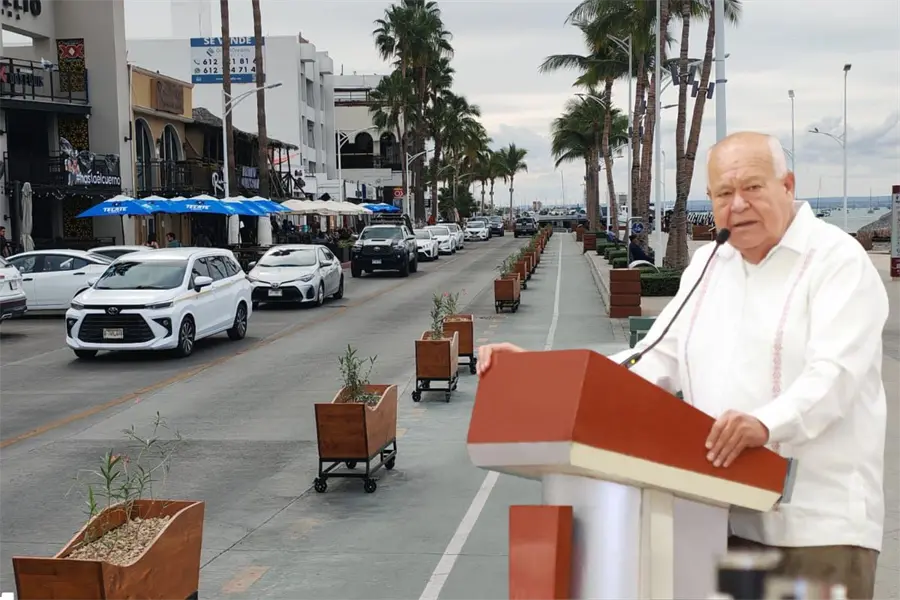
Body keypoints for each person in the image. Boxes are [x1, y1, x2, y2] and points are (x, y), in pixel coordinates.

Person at [476, 131, 888, 599]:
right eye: (724, 194)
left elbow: (836, 375)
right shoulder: (708, 266)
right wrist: (546, 378)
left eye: (753, 187)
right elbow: (649, 359)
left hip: (818, 531)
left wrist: (764, 424)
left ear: (788, 186)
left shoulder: (838, 262)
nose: (738, 205)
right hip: (716, 520)